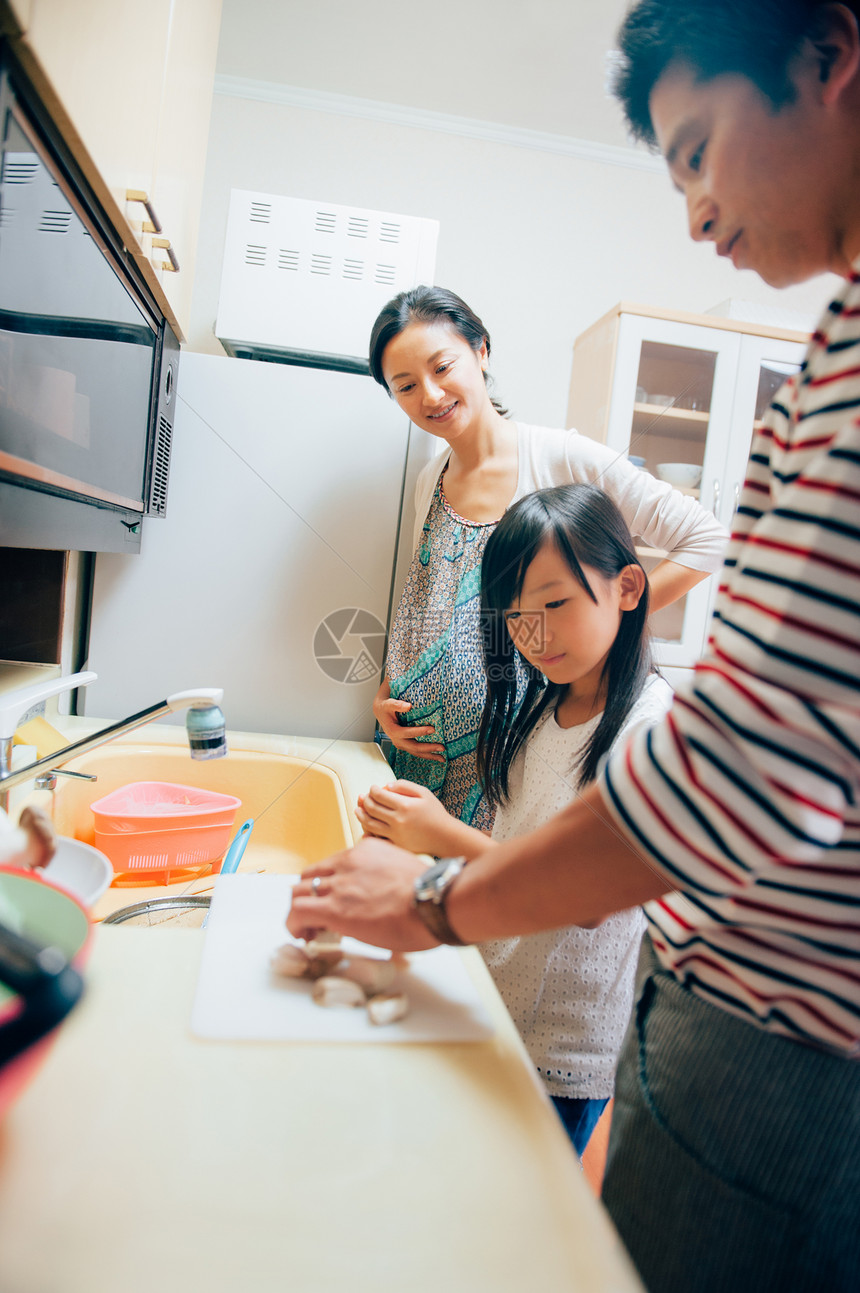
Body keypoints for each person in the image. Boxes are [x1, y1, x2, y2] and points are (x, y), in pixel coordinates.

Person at [289, 3, 860, 1289]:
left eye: (699, 149)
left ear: (827, 59)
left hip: (776, 1039)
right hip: (687, 975)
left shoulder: (580, 479)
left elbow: (746, 762)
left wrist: (442, 898)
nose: (694, 216)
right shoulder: (828, 351)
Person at [357, 483, 673, 1155]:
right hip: (496, 1005)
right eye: (515, 614)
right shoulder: (544, 710)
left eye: (556, 602)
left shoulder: (650, 726)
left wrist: (438, 833)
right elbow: (508, 852)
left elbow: (584, 894)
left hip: (560, 1050)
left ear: (628, 586)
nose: (534, 632)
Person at [369, 285, 726, 833]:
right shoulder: (429, 478)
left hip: (507, 755)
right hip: (416, 758)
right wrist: (386, 692)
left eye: (443, 367)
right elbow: (426, 598)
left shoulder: (560, 457)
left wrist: (614, 614)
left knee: (503, 901)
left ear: (481, 351)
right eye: (406, 386)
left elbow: (708, 539)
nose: (432, 394)